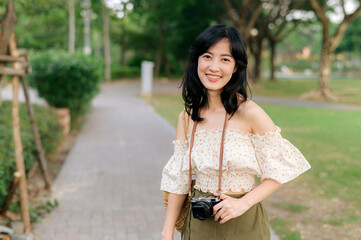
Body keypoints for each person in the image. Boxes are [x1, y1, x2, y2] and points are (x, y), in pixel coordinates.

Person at [160, 24, 311, 240]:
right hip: (199, 222)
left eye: (225, 59)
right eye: (207, 56)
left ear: (236, 68)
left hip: (243, 221)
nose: (214, 67)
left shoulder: (250, 112)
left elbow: (283, 167)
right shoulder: (187, 117)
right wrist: (167, 231)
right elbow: (179, 179)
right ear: (196, 61)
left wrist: (244, 203)